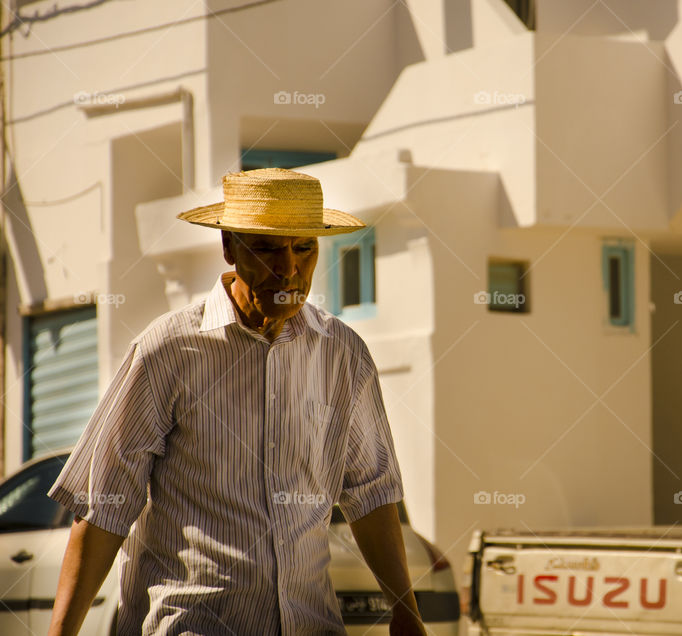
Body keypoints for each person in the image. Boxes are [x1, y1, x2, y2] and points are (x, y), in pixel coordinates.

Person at [46, 168, 426, 636]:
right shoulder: (167, 350)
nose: (287, 268)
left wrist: (406, 611)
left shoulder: (343, 354)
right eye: (266, 248)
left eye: (304, 248)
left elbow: (372, 495)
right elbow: (104, 506)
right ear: (230, 247)